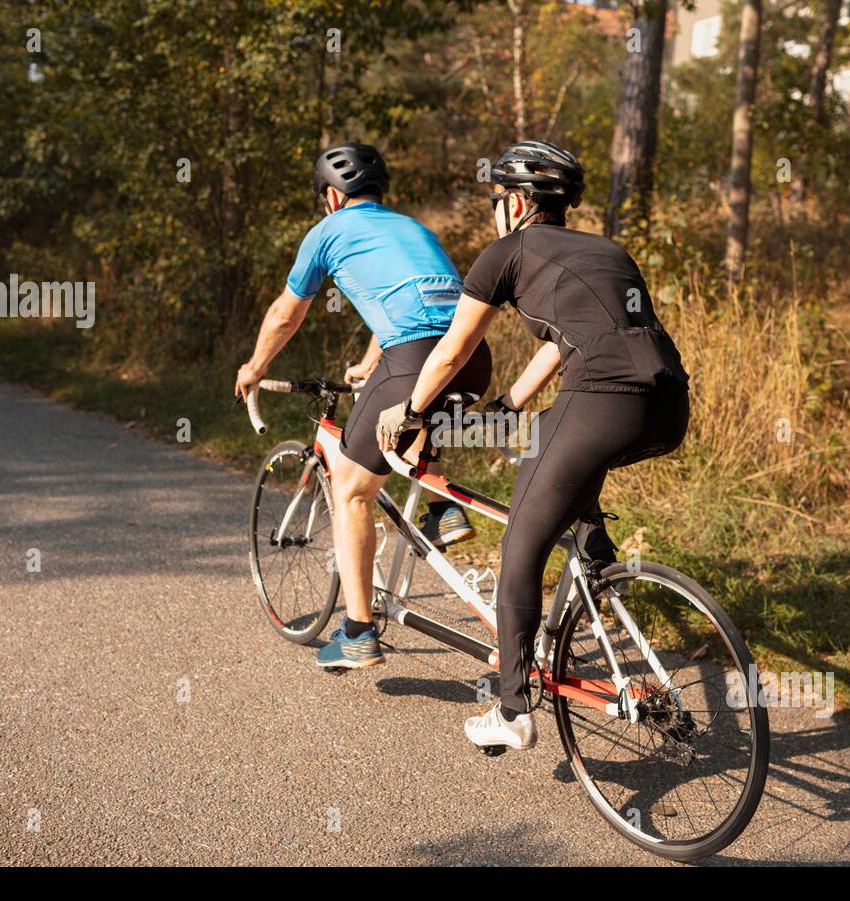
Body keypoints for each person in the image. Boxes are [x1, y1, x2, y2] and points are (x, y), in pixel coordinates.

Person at [376, 141, 690, 750]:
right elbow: (567, 338)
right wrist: (513, 406)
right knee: (552, 443)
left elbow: (454, 347)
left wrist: (413, 411)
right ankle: (595, 551)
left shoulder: (506, 252)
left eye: (499, 199)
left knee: (520, 545)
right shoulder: (607, 251)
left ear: (516, 203)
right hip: (667, 406)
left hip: (601, 398)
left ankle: (513, 708)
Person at [235, 142, 491, 670]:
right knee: (413, 418)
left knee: (353, 492)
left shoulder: (327, 231)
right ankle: (444, 510)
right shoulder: (415, 229)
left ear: (331, 196)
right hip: (471, 358)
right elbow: (416, 298)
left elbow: (286, 314)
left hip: (416, 357)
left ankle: (356, 632)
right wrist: (372, 358)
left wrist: (255, 367)